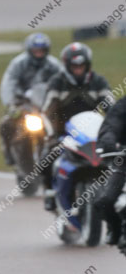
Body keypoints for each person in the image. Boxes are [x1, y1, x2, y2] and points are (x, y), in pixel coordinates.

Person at [40, 42, 114, 211]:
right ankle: (50, 192)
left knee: (116, 156)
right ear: (67, 65)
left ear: (88, 65)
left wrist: (116, 130)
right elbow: (46, 112)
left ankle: (115, 192)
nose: (78, 68)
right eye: (74, 65)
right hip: (63, 133)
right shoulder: (57, 82)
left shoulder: (99, 81)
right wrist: (51, 135)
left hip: (93, 134)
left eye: (81, 65)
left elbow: (111, 108)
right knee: (47, 154)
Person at [0, 33, 61, 165]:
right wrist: (10, 104)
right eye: (36, 51)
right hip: (24, 104)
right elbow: (8, 84)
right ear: (29, 50)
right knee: (6, 124)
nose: (39, 54)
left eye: (42, 51)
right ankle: (8, 151)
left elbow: (63, 82)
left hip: (46, 104)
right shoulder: (18, 64)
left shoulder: (54, 65)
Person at [95, 97, 126, 246]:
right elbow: (111, 125)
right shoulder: (123, 105)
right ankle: (115, 230)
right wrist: (108, 140)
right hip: (124, 163)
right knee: (105, 200)